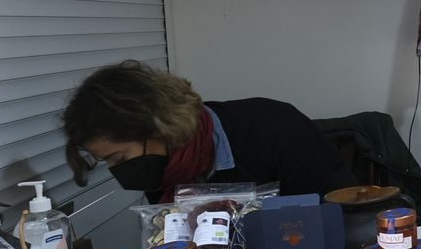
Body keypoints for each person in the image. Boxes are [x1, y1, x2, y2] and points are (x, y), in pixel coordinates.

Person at [62, 61, 352, 202]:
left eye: (120, 158)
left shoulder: (275, 128)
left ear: (158, 126)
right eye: (109, 162)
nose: (119, 171)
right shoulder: (165, 171)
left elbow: (328, 216)